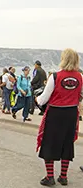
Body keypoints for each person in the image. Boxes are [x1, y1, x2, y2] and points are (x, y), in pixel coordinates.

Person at [36, 49, 82, 186]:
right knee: (66, 144)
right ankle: (63, 176)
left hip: (56, 113)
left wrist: (37, 99)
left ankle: (50, 177)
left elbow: (44, 99)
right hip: (71, 114)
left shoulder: (55, 76)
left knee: (49, 144)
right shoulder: (80, 76)